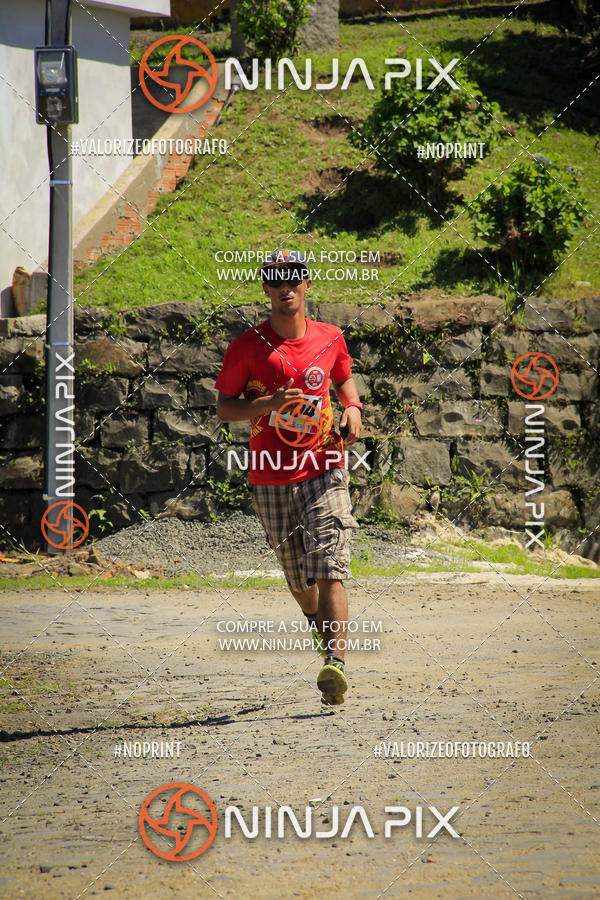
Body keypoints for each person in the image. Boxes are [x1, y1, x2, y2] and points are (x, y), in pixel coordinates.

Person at [214, 249, 363, 705]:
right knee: (301, 583)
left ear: (307, 284)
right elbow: (224, 408)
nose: (287, 287)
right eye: (277, 280)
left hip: (324, 467)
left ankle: (335, 664)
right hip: (271, 478)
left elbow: (342, 379)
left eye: (294, 278)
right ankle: (322, 636)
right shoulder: (247, 347)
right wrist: (266, 405)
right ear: (266, 289)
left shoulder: (330, 336)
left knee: (331, 565)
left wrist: (353, 407)